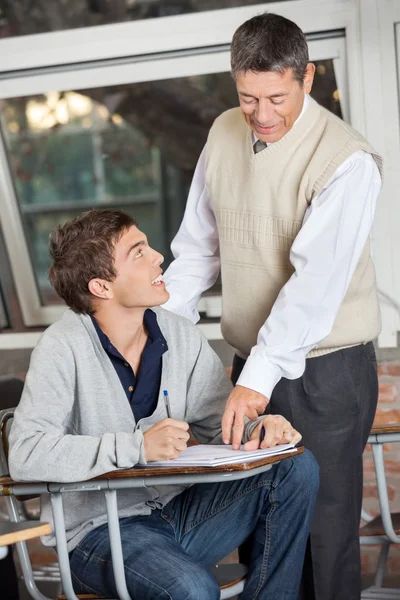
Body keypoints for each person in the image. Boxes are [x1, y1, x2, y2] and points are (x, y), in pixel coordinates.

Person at [162, 12, 383, 600]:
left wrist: (254, 382)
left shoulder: (347, 160)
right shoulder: (223, 133)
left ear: (307, 78)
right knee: (258, 528)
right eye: (247, 97)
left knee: (319, 534)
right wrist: (158, 334)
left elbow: (312, 290)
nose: (261, 115)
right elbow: (194, 251)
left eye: (276, 98)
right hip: (249, 366)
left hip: (327, 372)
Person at [8, 209, 318, 600]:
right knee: (191, 589)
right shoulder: (62, 346)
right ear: (102, 287)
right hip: (100, 534)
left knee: (292, 466)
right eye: (138, 253)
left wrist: (262, 430)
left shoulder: (178, 333)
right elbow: (26, 453)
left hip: (181, 514)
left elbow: (217, 421)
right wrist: (136, 448)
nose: (158, 257)